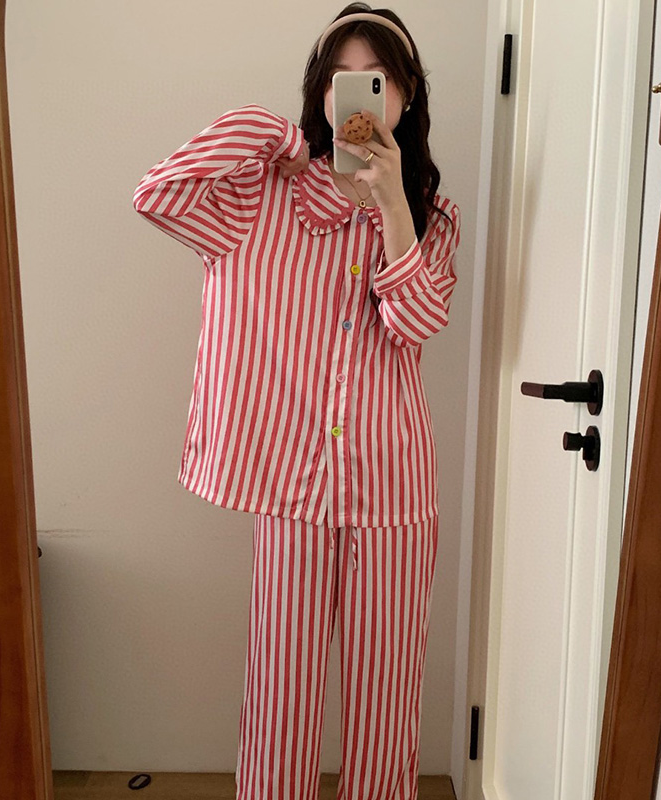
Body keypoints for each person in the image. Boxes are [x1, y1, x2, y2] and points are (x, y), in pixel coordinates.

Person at [132, 3, 461, 798]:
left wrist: (391, 205)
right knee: (279, 697)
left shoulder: (432, 216)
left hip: (393, 489)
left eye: (376, 80)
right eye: (340, 80)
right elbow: (157, 194)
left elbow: (416, 324)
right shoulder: (260, 195)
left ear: (407, 94)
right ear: (319, 92)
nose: (359, 97)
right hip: (292, 488)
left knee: (388, 705)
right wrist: (268, 131)